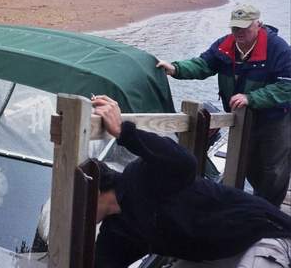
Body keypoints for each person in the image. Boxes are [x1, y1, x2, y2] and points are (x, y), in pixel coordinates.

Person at [91, 95, 291, 268]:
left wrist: (123, 132)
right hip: (216, 256)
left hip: (264, 237)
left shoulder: (140, 176)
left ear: (95, 191)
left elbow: (184, 161)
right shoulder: (116, 233)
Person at [156, 4, 291, 207]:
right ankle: (256, 206)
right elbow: (203, 65)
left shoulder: (277, 48)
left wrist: (251, 98)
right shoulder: (225, 45)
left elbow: (286, 86)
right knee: (248, 164)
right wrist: (175, 68)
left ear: (259, 25)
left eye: (244, 27)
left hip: (274, 119)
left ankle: (270, 213)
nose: (238, 32)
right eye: (235, 27)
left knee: (273, 169)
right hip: (242, 120)